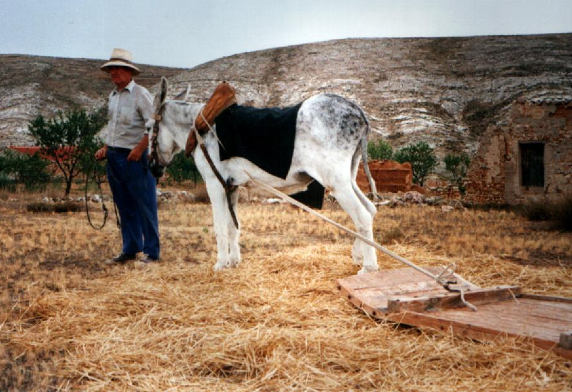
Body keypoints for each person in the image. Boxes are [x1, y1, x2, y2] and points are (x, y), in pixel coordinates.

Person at [95, 48, 160, 264]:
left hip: (135, 157)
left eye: (118, 68)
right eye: (111, 69)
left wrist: (140, 148)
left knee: (145, 204)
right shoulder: (112, 96)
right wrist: (106, 147)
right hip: (114, 156)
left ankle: (152, 252)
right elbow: (113, 127)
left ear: (129, 72)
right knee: (124, 205)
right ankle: (130, 249)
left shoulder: (141, 94)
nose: (114, 72)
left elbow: (153, 124)